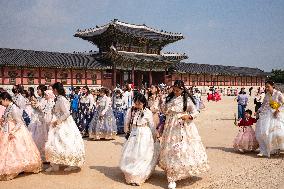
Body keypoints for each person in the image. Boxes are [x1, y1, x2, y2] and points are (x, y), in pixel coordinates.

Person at [159, 80, 209, 189]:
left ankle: (181, 171)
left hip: (183, 126)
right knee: (171, 149)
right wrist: (161, 101)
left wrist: (189, 116)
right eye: (174, 90)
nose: (176, 92)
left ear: (182, 90)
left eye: (178, 90)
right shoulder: (169, 98)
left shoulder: (187, 100)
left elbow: (195, 111)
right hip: (170, 127)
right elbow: (164, 111)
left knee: (183, 148)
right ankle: (172, 175)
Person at [0, 92, 42, 180]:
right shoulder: (8, 107)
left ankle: (20, 166)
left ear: (6, 100)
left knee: (17, 149)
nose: (1, 104)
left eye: (1, 101)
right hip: (7, 129)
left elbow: (19, 122)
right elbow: (7, 117)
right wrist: (3, 120)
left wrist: (13, 132)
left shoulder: (14, 108)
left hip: (15, 130)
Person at [45, 82, 85, 172]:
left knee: (66, 142)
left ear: (55, 90)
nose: (52, 91)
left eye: (52, 89)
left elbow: (67, 113)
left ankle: (72, 163)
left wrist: (58, 121)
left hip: (64, 123)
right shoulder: (58, 98)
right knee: (54, 143)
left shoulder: (61, 99)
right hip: (58, 122)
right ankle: (55, 164)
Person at [120, 93, 158, 186]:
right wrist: (127, 131)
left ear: (143, 103)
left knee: (142, 153)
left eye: (139, 104)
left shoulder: (147, 112)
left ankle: (139, 175)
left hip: (145, 133)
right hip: (134, 132)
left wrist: (154, 137)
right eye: (136, 103)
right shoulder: (131, 110)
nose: (137, 105)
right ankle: (131, 173)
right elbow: (127, 121)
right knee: (132, 153)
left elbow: (152, 125)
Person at [255, 81, 284, 157]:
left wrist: (278, 110)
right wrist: (258, 111)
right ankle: (264, 150)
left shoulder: (278, 93)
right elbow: (263, 105)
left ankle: (276, 149)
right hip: (267, 114)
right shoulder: (267, 95)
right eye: (266, 87)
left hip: (276, 114)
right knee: (264, 132)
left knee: (276, 133)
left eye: (268, 86)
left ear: (272, 86)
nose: (267, 88)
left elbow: (283, 103)